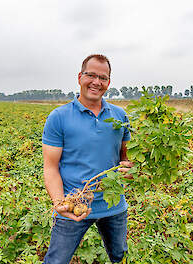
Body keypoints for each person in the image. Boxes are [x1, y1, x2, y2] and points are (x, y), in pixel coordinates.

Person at [42, 54, 133, 263]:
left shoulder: (120, 117)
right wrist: (59, 203)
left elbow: (126, 158)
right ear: (80, 77)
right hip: (73, 202)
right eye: (91, 75)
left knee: (120, 257)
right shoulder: (59, 117)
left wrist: (129, 168)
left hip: (113, 206)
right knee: (56, 260)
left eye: (102, 78)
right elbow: (50, 168)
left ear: (108, 82)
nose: (96, 82)